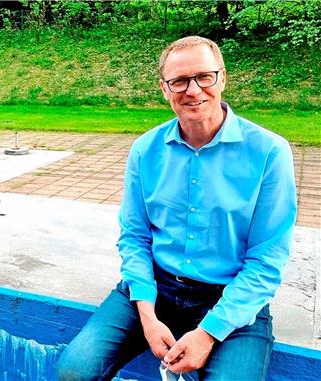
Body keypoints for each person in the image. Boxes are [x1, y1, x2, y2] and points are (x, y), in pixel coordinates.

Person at [57, 36, 297, 380]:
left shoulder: (269, 152)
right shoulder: (145, 150)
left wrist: (208, 332)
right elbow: (135, 237)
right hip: (154, 287)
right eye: (179, 81)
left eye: (204, 77)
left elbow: (267, 258)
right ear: (164, 89)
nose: (193, 90)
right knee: (73, 372)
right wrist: (147, 314)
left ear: (223, 77)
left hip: (230, 297)